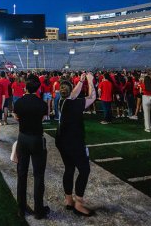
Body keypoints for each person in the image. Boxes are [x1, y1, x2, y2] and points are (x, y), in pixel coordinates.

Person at [56, 72, 97, 217]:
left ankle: (68, 200)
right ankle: (79, 203)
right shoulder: (74, 103)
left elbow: (72, 94)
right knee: (84, 170)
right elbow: (92, 97)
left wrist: (81, 81)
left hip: (61, 140)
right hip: (74, 141)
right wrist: (90, 81)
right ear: (71, 90)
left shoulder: (62, 101)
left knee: (69, 168)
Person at [13, 75, 50, 220]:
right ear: (38, 88)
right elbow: (41, 119)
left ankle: (21, 209)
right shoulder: (41, 104)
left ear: (25, 87)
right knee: (38, 175)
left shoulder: (19, 102)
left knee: (21, 174)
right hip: (36, 139)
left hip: (23, 138)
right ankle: (39, 210)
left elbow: (16, 117)